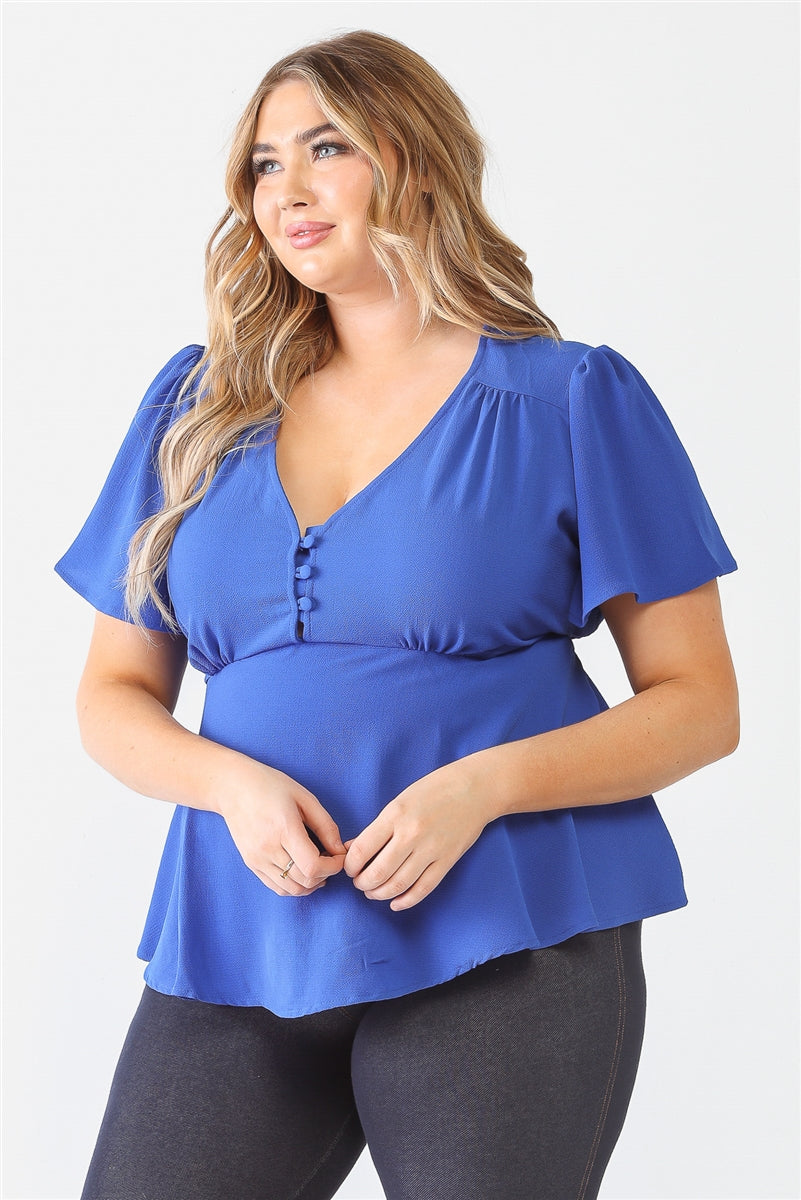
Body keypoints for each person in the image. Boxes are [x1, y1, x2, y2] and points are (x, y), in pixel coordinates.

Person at [55, 28, 739, 1200]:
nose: (287, 189)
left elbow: (700, 705)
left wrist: (481, 788)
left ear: (415, 159)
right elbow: (112, 697)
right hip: (242, 934)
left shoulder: (569, 399)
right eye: (264, 163)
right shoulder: (196, 409)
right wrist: (229, 785)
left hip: (510, 925)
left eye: (326, 148)